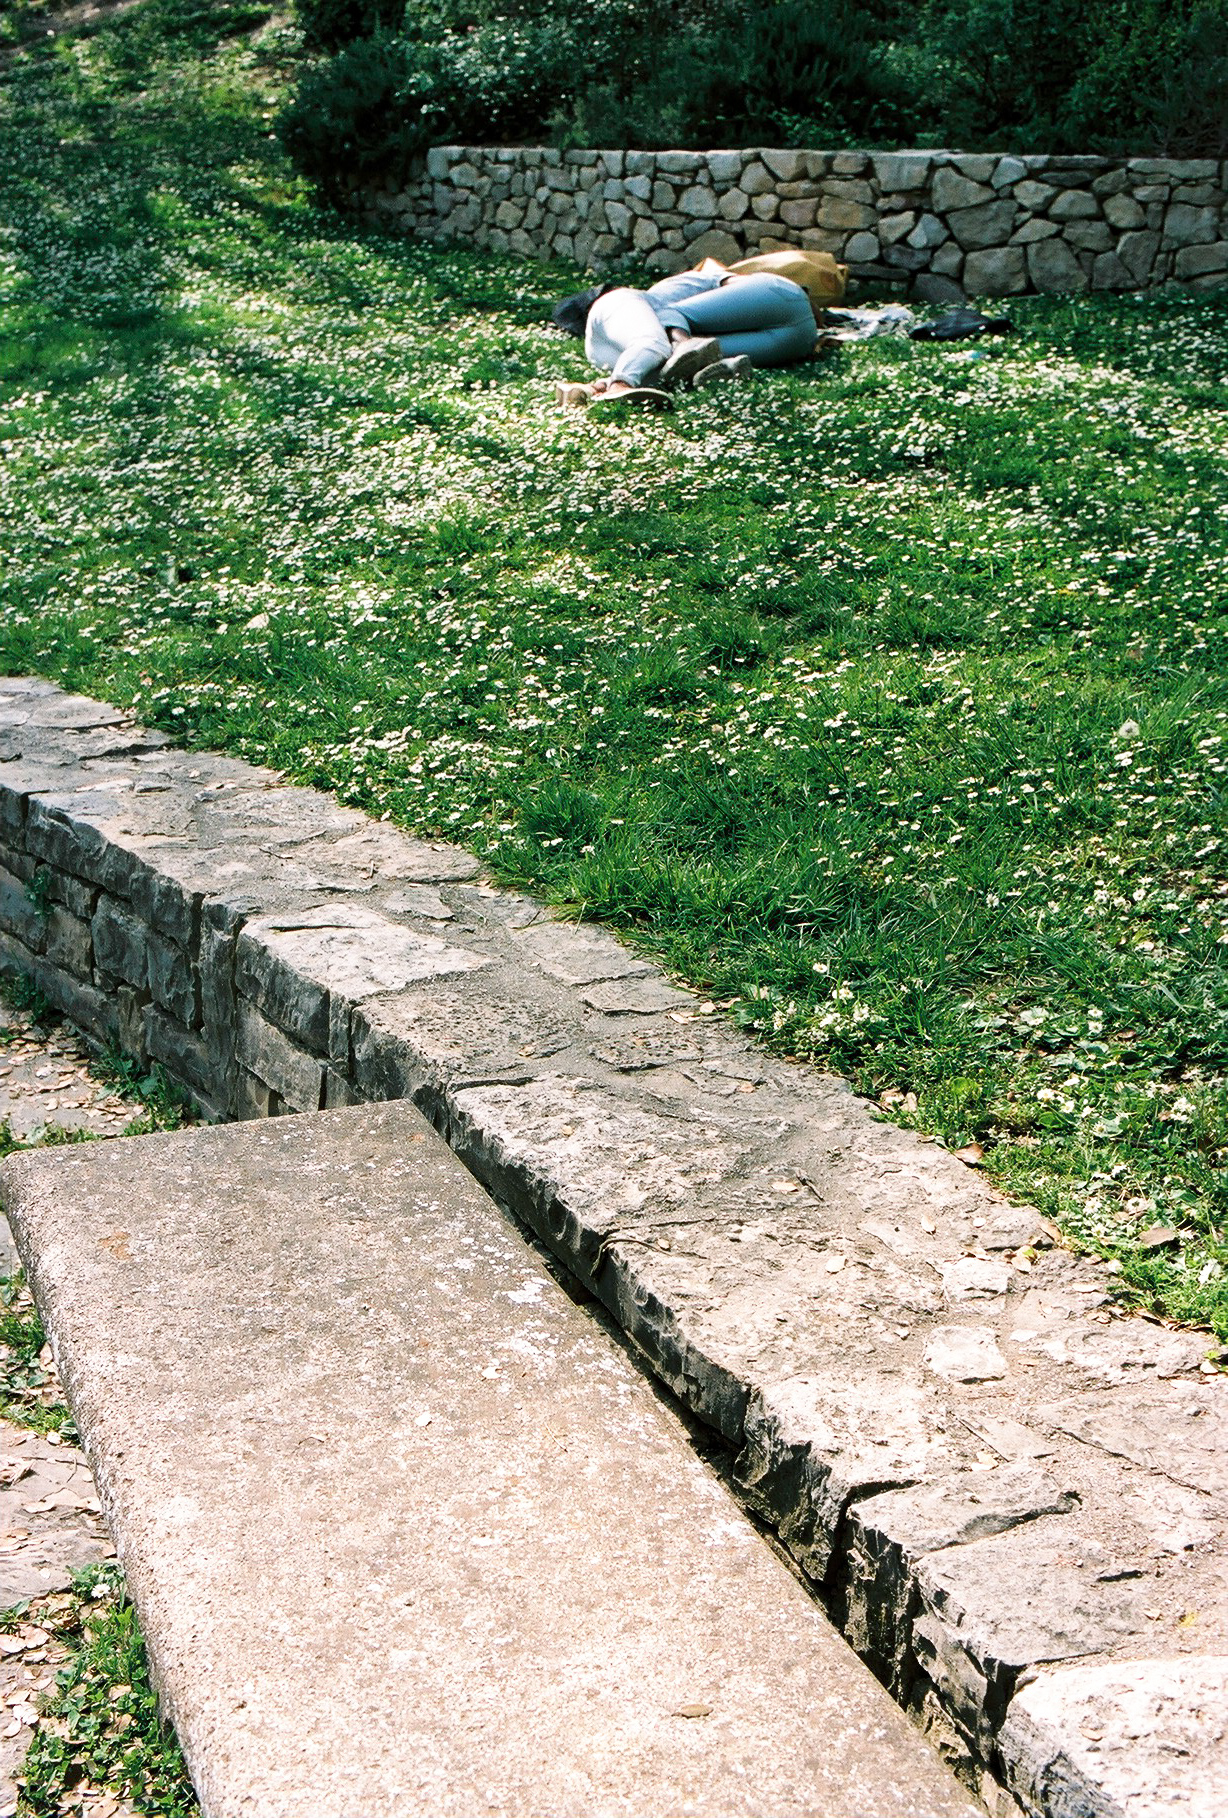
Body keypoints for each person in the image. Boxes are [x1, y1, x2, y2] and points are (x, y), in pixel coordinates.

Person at [556, 250, 847, 410]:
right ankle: (603, 387)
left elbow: (726, 287)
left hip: (784, 310)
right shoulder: (633, 316)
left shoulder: (644, 300)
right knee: (669, 357)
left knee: (671, 342)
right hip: (797, 337)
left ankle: (607, 385)